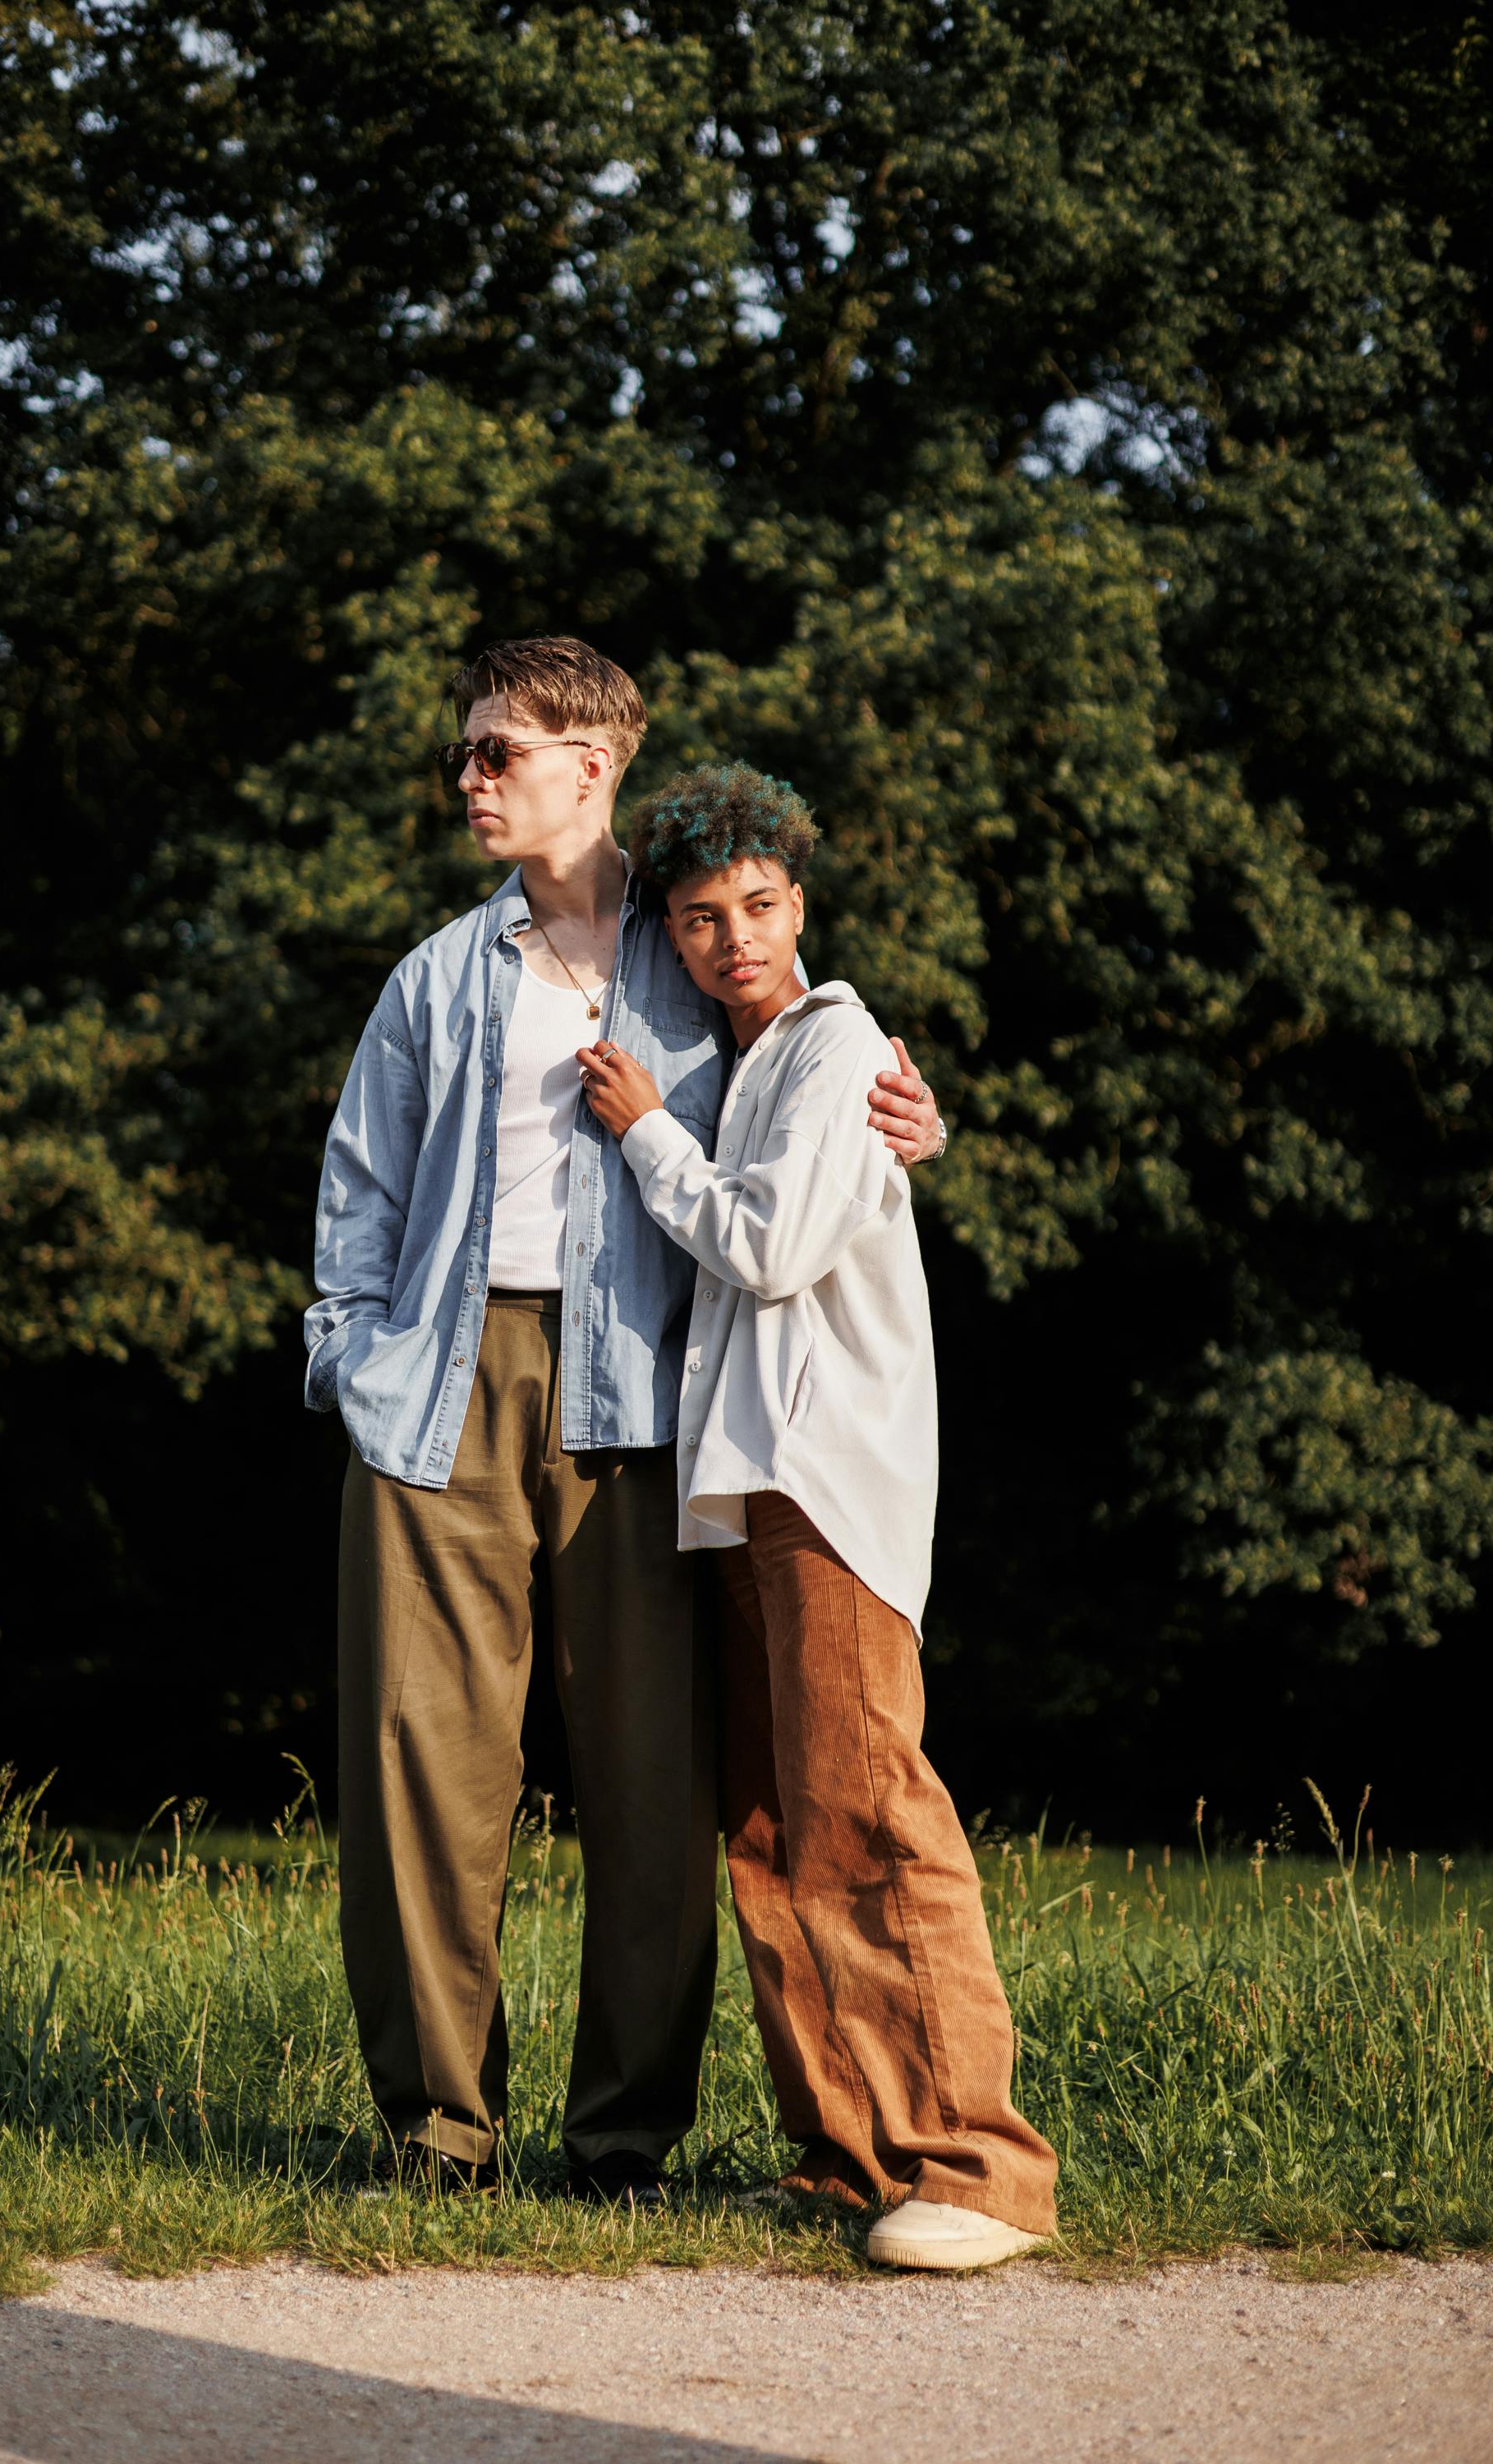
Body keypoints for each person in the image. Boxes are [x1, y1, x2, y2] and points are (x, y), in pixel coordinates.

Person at [305, 638, 944, 2202]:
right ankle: (439, 2133)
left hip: (649, 1397)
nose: (469, 779)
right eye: (465, 753)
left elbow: (818, 1101)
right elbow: (361, 1187)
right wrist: (351, 1358)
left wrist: (914, 1128)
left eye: (495, 752)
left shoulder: (700, 959)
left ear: (589, 766)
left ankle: (621, 2141)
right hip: (436, 1393)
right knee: (420, 1764)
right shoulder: (434, 978)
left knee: (656, 1777)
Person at [580, 761, 1059, 2269]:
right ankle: (849, 2156)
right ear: (671, 933)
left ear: (802, 905)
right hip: (744, 1483)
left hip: (829, 1473)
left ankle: (980, 2168)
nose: (734, 938)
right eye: (700, 917)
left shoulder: (841, 1044)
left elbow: (772, 1248)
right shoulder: (747, 1064)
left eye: (760, 906)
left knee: (870, 1812)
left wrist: (647, 1133)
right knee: (775, 1831)